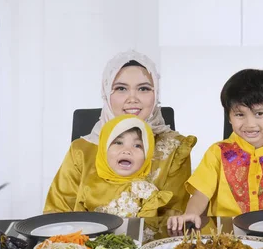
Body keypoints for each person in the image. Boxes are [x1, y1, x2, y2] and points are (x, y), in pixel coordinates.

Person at [44, 50, 197, 215]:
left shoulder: (175, 149)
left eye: (144, 88)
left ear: (156, 93)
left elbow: (173, 218)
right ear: (106, 92)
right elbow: (57, 214)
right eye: (121, 88)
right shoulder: (81, 150)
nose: (133, 98)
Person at [168, 69, 263, 230]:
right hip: (222, 235)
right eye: (240, 115)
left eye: (259, 114)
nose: (250, 124)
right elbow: (201, 194)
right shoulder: (217, 152)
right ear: (229, 116)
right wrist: (191, 213)